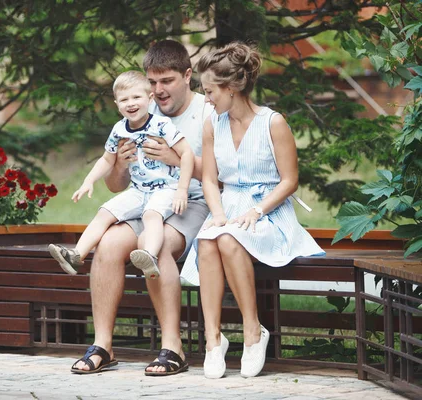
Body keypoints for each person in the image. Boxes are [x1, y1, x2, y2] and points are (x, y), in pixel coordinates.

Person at [68, 40, 214, 376]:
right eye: (153, 82)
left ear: (188, 76)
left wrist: (174, 158)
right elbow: (117, 185)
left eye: (167, 81)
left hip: (192, 200)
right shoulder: (138, 111)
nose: (158, 90)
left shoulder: (208, 111)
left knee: (157, 244)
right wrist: (119, 164)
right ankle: (103, 345)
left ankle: (172, 347)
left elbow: (227, 174)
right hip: (145, 199)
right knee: (107, 244)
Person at [181, 42, 325, 379]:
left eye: (211, 91)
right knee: (208, 240)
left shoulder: (273, 123)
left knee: (229, 240)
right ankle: (213, 341)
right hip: (228, 206)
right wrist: (216, 214)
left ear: (232, 89)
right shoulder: (211, 125)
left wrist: (257, 211)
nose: (207, 99)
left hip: (269, 211)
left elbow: (289, 181)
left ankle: (253, 331)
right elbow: (210, 181)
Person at [49, 71, 194, 280]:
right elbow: (107, 159)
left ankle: (150, 255)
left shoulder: (161, 125)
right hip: (138, 190)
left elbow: (186, 153)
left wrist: (182, 189)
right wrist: (88, 180)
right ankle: (76, 255)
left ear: (150, 98)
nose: (131, 103)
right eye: (124, 99)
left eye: (136, 97)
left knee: (151, 215)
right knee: (104, 212)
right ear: (117, 104)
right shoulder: (119, 129)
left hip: (166, 189)